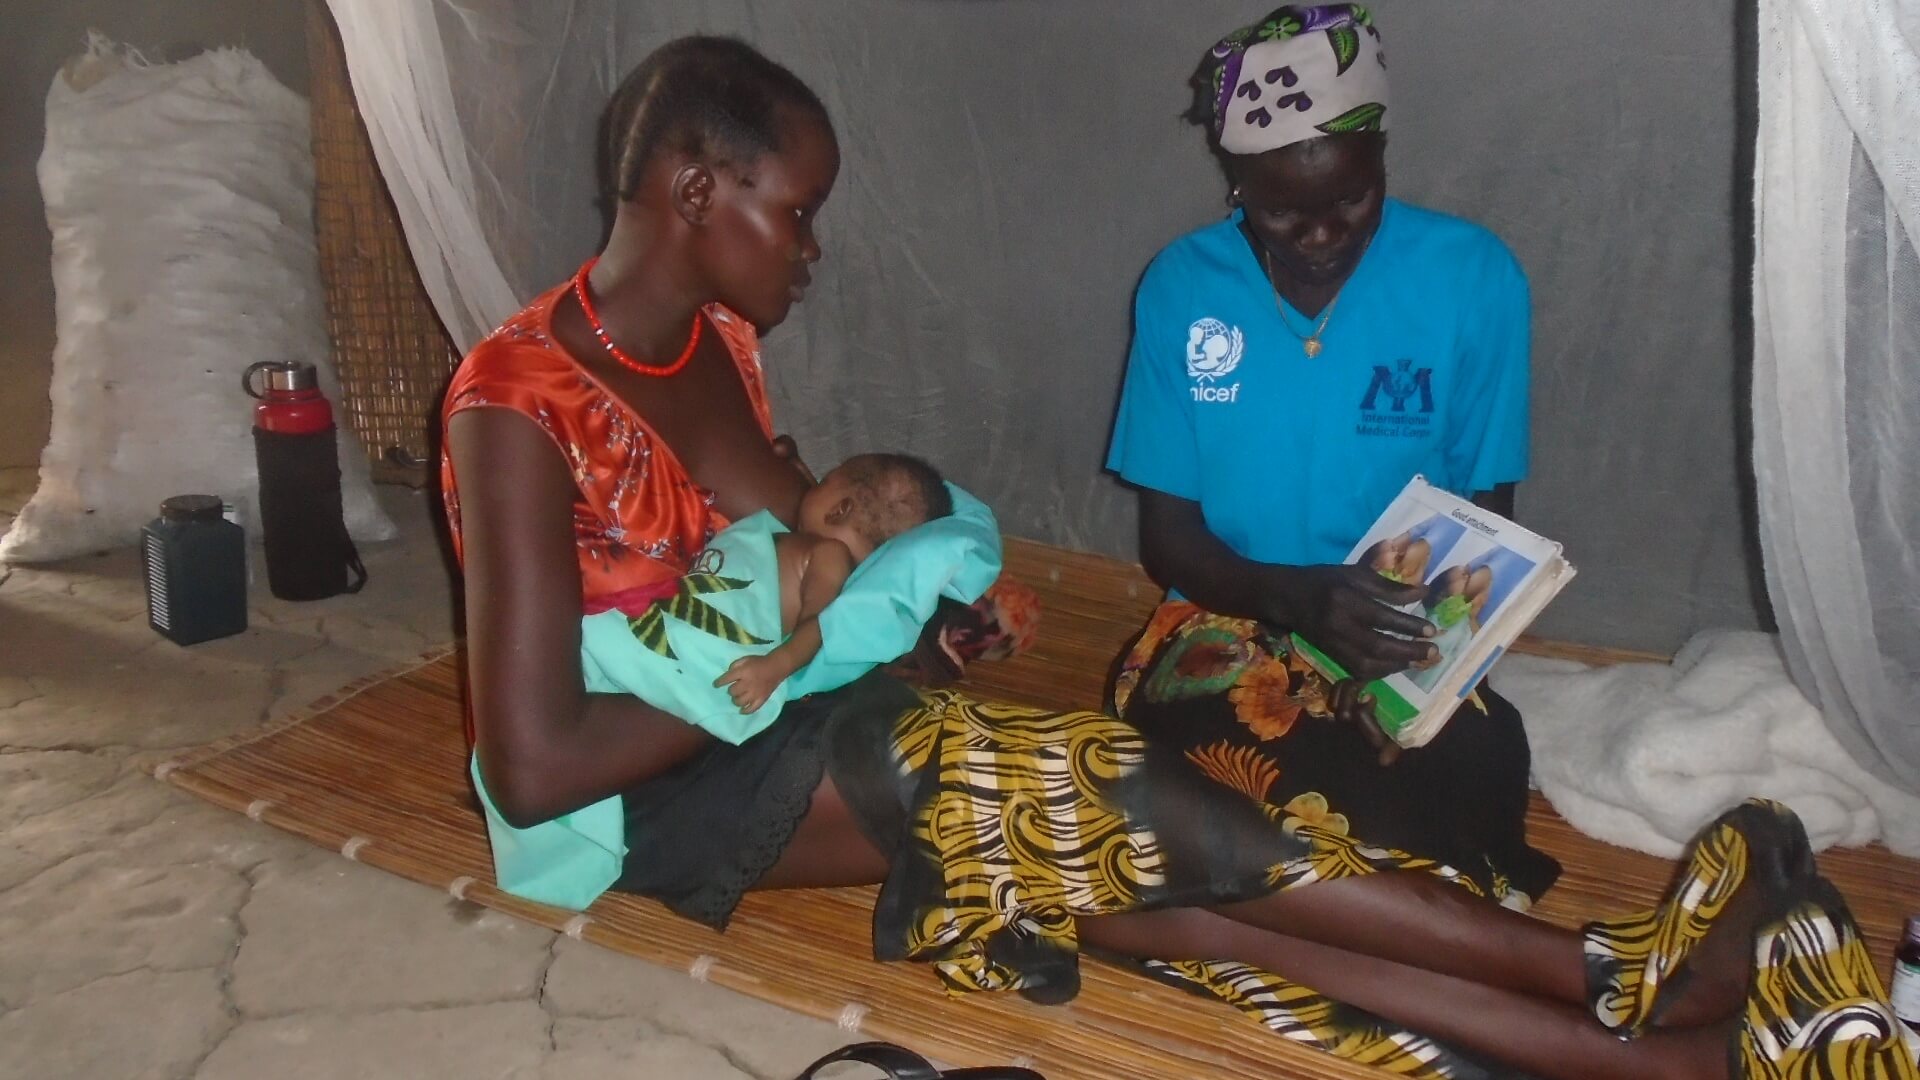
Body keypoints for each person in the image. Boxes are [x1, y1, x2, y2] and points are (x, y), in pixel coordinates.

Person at [441, 31, 1914, 1080]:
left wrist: (897, 629)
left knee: (1159, 896)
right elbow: (536, 769)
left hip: (803, 722)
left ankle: (1636, 1064)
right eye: (799, 212)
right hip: (660, 804)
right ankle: (1605, 974)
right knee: (1128, 794)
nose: (816, 249)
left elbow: (808, 560)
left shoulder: (713, 347)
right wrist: (785, 670)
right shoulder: (514, 407)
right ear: (698, 197)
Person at [1105, 3, 1556, 894]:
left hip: (1398, 628)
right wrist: (1297, 602)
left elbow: (1484, 530)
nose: (1320, 235)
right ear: (1233, 179)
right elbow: (1171, 544)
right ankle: (1400, 921)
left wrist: (1414, 668)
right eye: (1277, 211)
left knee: (1471, 760)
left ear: (1383, 156)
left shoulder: (1473, 278)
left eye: (1351, 197)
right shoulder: (1182, 288)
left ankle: (1300, 907)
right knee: (1225, 748)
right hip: (1226, 616)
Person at [582, 453, 954, 740]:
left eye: (824, 481)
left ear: (839, 509)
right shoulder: (800, 542)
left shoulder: (830, 557)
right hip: (683, 615)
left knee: (590, 630)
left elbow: (821, 625)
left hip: (708, 645)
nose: (811, 487)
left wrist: (776, 667)